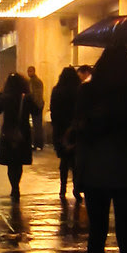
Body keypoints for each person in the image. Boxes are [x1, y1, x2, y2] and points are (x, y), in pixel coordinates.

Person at [72, 44, 127, 253]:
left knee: (97, 232)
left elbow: (80, 132)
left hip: (96, 171)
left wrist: (79, 175)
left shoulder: (88, 91)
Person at [0, 72, 33, 201]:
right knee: (19, 162)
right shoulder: (26, 98)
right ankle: (16, 186)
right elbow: (36, 111)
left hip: (8, 132)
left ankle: (14, 187)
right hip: (23, 132)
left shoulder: (5, 97)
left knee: (11, 163)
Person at [49, 66, 81, 200]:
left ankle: (62, 188)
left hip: (60, 130)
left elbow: (53, 110)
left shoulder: (56, 91)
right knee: (75, 161)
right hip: (75, 130)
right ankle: (77, 188)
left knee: (64, 160)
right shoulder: (79, 90)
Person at [26, 65, 45, 149]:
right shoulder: (31, 81)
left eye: (30, 71)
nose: (29, 73)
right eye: (28, 71)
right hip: (36, 105)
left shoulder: (36, 81)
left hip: (36, 106)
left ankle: (38, 143)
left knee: (37, 125)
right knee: (36, 124)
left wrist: (35, 104)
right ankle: (37, 143)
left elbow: (37, 95)